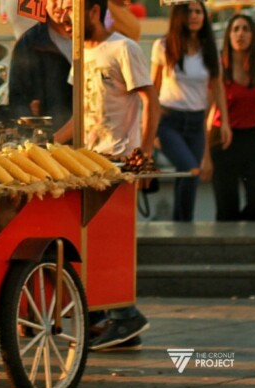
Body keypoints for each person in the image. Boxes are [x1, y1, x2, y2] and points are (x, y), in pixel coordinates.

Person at [55, 0, 160, 351]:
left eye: (73, 11)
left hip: (117, 162)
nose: (67, 19)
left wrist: (143, 151)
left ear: (93, 11)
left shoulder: (124, 48)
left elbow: (151, 100)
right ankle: (110, 318)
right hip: (87, 162)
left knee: (107, 244)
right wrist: (50, 143)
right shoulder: (80, 53)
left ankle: (125, 316)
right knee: (87, 243)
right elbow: (81, 112)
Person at [152, 0, 231, 222]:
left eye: (199, 12)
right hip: (169, 121)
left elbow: (217, 86)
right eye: (189, 12)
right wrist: (148, 128)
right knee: (190, 169)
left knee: (189, 177)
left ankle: (181, 228)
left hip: (196, 122)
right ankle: (183, 226)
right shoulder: (164, 46)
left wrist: (224, 121)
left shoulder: (210, 49)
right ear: (179, 16)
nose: (195, 16)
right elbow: (152, 89)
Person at [202, 14, 255, 221]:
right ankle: (226, 248)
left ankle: (242, 245)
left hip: (252, 139)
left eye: (246, 29)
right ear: (228, 36)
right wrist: (205, 156)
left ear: (253, 36)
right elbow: (206, 113)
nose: (240, 34)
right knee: (227, 209)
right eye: (235, 29)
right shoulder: (218, 69)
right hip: (222, 140)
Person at [9, 0, 73, 132]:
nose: (58, 6)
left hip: (93, 136)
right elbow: (18, 97)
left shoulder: (90, 39)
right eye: (53, 0)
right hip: (49, 137)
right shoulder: (30, 43)